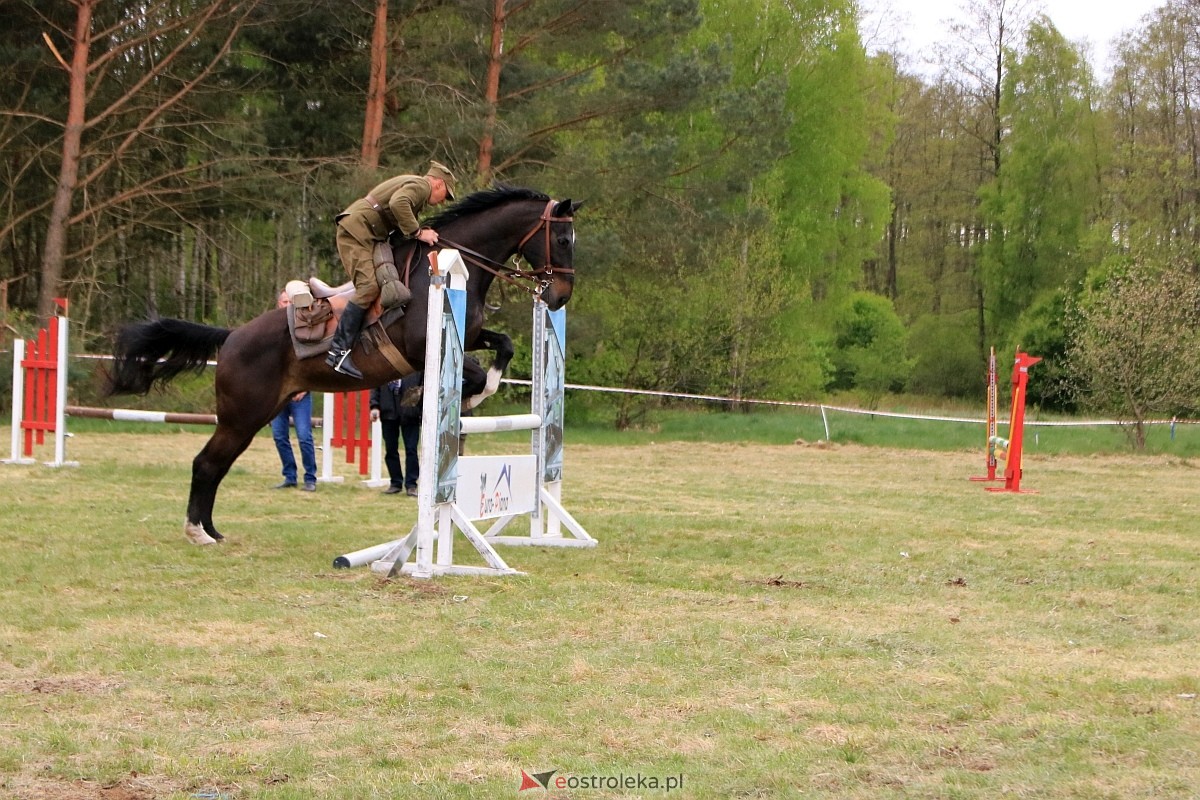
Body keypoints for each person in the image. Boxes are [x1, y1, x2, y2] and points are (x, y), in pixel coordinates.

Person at [327, 161, 458, 379]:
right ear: (438, 183)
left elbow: (395, 213)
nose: (443, 202)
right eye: (446, 194)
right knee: (369, 287)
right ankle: (338, 351)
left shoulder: (416, 188)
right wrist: (418, 233)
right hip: (357, 232)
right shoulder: (421, 186)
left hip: (367, 233)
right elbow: (398, 203)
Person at [272, 289, 317, 491]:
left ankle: (310, 478)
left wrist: (304, 386)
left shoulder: (304, 330)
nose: (287, 304)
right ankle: (290, 475)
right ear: (278, 305)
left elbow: (312, 362)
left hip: (300, 394)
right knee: (279, 435)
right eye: (284, 301)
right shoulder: (271, 332)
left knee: (304, 436)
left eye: (291, 301)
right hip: (278, 393)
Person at [370, 374, 422, 496]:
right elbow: (376, 386)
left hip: (411, 413)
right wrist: (374, 406)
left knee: (411, 450)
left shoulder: (415, 367)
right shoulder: (384, 366)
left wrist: (420, 409)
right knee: (391, 450)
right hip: (388, 411)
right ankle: (395, 483)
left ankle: (411, 485)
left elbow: (424, 388)